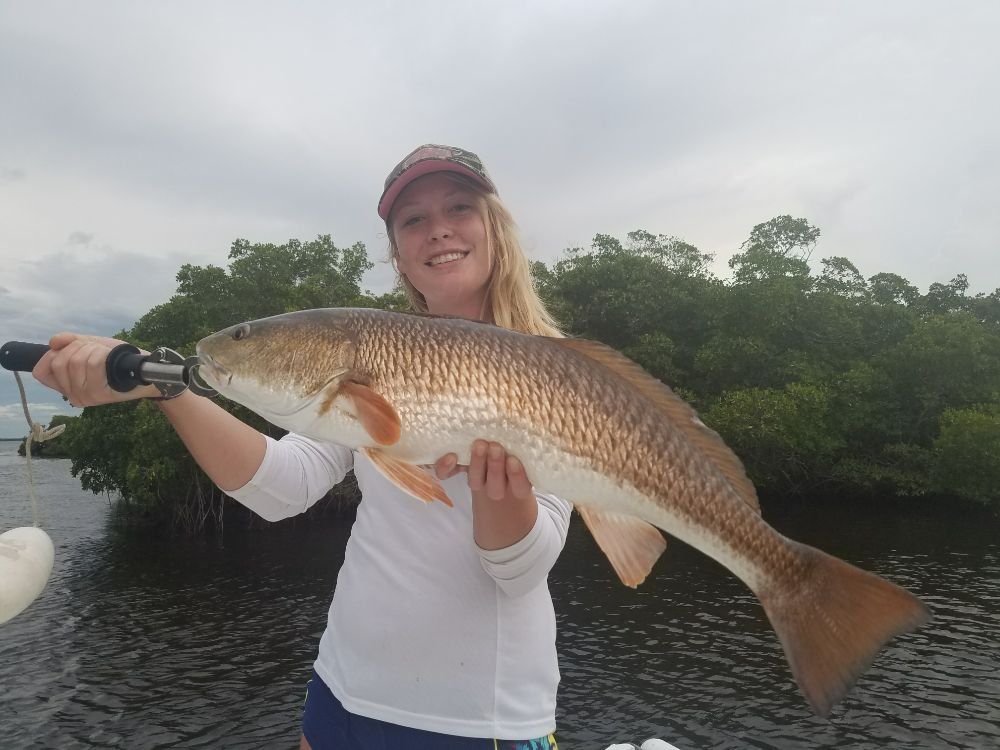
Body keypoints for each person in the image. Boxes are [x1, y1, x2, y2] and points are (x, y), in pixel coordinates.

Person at [33, 144, 572, 750]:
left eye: (459, 207)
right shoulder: (369, 353)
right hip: (341, 693)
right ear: (396, 254)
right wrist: (164, 388)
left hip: (479, 722)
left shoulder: (557, 369)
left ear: (493, 225)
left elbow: (522, 568)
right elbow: (283, 486)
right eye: (412, 219)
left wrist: (498, 488)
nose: (438, 228)